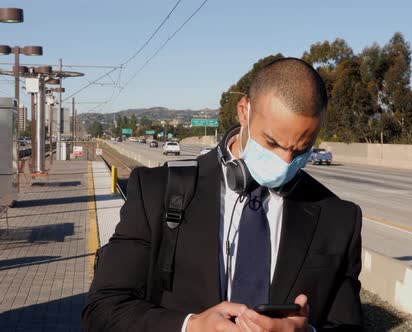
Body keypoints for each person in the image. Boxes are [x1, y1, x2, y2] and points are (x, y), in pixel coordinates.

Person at [82, 57, 363, 332]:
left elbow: (347, 324)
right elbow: (102, 309)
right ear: (244, 111)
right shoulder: (156, 191)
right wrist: (189, 326)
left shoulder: (338, 219)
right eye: (272, 142)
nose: (285, 161)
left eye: (302, 150)